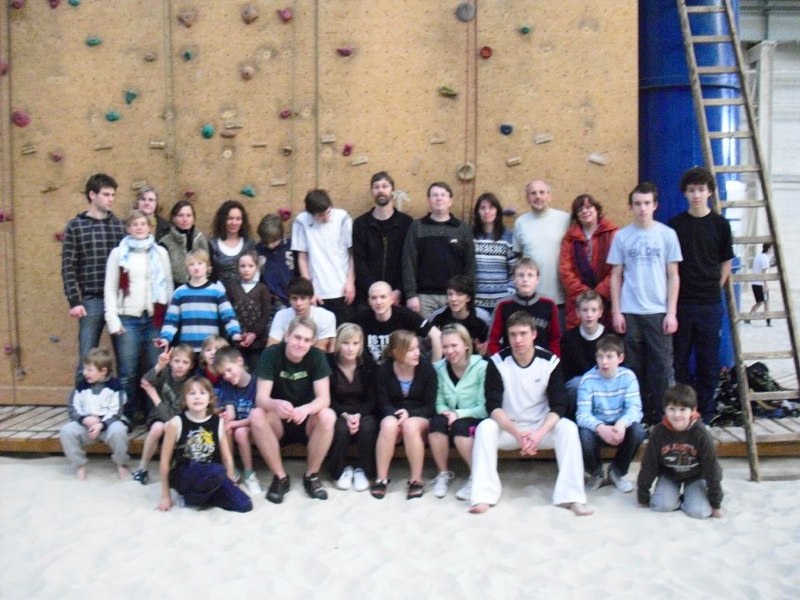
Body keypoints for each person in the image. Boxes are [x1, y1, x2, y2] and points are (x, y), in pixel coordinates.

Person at [469, 312, 592, 516]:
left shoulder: (550, 362)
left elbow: (559, 405)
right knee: (485, 428)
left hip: (540, 429)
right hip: (509, 428)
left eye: (523, 333)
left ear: (534, 334)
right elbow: (493, 407)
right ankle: (483, 496)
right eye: (513, 334)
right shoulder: (497, 362)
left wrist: (538, 433)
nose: (518, 340)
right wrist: (517, 432)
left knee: (568, 428)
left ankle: (572, 498)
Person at [608, 182, 682, 424]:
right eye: (638, 204)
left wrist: (671, 313)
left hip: (658, 311)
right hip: (630, 311)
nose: (642, 208)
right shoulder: (622, 237)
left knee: (661, 368)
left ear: (655, 205)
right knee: (632, 368)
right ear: (631, 206)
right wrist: (616, 311)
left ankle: (663, 420)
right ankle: (635, 418)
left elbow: (673, 275)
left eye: (647, 203)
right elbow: (616, 276)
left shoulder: (667, 235)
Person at [669, 167, 734, 424]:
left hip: (709, 304)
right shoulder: (675, 226)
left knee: (708, 361)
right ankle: (682, 410)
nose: (696, 194)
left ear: (709, 192)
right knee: (680, 360)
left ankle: (705, 414)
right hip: (682, 303)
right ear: (685, 193)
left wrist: (715, 286)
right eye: (691, 190)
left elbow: (726, 261)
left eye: (701, 189)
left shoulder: (721, 225)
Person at [250, 316, 335, 503]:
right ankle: (280, 477)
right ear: (287, 335)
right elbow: (261, 398)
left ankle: (311, 476)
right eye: (297, 337)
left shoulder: (317, 356)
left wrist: (306, 409)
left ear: (312, 342)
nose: (301, 344)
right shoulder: (271, 354)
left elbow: (324, 398)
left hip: (306, 420)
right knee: (256, 415)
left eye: (306, 340)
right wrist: (275, 404)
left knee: (328, 415)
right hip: (279, 419)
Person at [104, 210, 173, 424]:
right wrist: (113, 320)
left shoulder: (160, 252)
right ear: (128, 228)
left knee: (155, 369)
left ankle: (155, 415)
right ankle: (127, 414)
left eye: (143, 223)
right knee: (128, 371)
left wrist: (169, 320)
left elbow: (168, 286)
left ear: (150, 227)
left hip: (154, 319)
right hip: (127, 319)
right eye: (135, 224)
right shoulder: (118, 254)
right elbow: (110, 288)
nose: (139, 227)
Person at [61, 173, 126, 382]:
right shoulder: (76, 226)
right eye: (106, 194)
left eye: (113, 195)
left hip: (119, 301)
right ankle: (81, 401)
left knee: (125, 360)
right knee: (87, 359)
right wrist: (74, 300)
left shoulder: (119, 226)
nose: (111, 199)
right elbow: (68, 266)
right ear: (92, 195)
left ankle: (120, 401)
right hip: (91, 300)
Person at [156, 376, 252, 512]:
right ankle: (190, 498)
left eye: (202, 393)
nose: (197, 397)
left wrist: (230, 483)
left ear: (210, 398)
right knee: (218, 471)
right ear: (184, 399)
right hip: (186, 473)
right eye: (192, 393)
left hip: (213, 475)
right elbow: (165, 461)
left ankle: (196, 499)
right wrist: (165, 495)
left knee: (244, 505)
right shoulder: (176, 423)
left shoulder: (217, 423)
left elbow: (227, 458)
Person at [637, 384, 723, 519]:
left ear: (693, 410)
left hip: (696, 475)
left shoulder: (701, 433)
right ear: (665, 410)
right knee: (661, 505)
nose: (677, 415)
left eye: (683, 409)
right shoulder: (659, 432)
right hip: (670, 474)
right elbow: (649, 464)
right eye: (672, 409)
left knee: (700, 512)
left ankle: (688, 498)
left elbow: (712, 468)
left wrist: (716, 504)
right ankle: (677, 497)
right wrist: (643, 495)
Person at [371, 330, 438, 500]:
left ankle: (416, 480)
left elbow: (430, 407)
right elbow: (382, 403)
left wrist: (410, 414)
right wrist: (396, 416)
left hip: (420, 415)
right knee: (388, 424)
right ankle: (381, 479)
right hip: (394, 414)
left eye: (417, 348)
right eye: (411, 349)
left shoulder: (427, 369)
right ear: (396, 353)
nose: (417, 353)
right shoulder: (383, 371)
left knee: (410, 426)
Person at [576, 334, 645, 493]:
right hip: (598, 425)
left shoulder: (628, 377)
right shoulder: (587, 380)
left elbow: (635, 409)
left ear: (620, 358)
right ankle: (596, 473)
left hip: (619, 425)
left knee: (638, 431)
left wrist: (621, 423)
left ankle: (617, 472)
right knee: (583, 434)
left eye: (609, 356)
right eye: (600, 356)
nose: (604, 362)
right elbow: (582, 415)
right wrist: (600, 427)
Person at [429, 324, 488, 500]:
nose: (449, 351)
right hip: (450, 414)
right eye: (445, 346)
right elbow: (439, 401)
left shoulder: (482, 367)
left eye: (454, 345)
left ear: (466, 345)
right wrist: (447, 413)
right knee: (436, 423)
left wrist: (458, 414)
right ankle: (443, 473)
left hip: (475, 416)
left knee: (460, 427)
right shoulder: (438, 368)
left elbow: (484, 407)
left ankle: (476, 475)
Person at [402, 181, 475, 318]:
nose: (439, 198)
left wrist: (467, 295)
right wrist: (411, 295)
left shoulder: (462, 229)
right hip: (424, 298)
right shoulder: (417, 227)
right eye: (434, 195)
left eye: (443, 195)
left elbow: (470, 265)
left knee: (453, 331)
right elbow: (408, 262)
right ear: (428, 200)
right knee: (426, 332)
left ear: (450, 201)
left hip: (455, 297)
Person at [58, 348, 130, 480]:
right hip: (86, 424)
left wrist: (102, 424)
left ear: (103, 371)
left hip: (108, 424)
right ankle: (79, 464)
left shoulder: (116, 387)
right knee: (66, 431)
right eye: (85, 369)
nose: (85, 373)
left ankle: (121, 463)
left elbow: (117, 411)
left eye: (90, 370)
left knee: (119, 431)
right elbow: (73, 408)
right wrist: (84, 419)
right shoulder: (81, 387)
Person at [157, 249, 242, 354]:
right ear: (187, 268)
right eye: (191, 264)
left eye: (200, 263)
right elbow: (171, 321)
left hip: (210, 351)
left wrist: (235, 334)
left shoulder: (217, 291)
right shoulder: (180, 293)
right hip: (187, 351)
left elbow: (228, 317)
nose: (196, 267)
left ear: (207, 266)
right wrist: (165, 338)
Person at [132, 345, 195, 484]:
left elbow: (172, 418)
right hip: (158, 417)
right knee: (157, 428)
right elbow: (145, 381)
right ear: (170, 362)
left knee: (169, 426)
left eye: (185, 362)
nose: (180, 365)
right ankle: (142, 468)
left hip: (178, 421)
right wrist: (160, 365)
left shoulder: (190, 383)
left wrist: (153, 395)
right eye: (176, 361)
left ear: (191, 365)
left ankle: (173, 467)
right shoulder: (165, 373)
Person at [513, 180, 571, 329]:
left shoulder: (565, 219)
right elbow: (518, 259)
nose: (538, 196)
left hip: (559, 299)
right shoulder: (520, 223)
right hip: (530, 299)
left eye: (542, 192)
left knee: (557, 340)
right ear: (527, 198)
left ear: (549, 196)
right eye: (533, 193)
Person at [327, 324, 379, 492]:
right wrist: (345, 415)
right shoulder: (329, 363)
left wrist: (357, 415)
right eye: (346, 343)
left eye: (355, 343)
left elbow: (372, 399)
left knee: (368, 426)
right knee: (340, 428)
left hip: (364, 410)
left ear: (361, 345)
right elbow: (328, 399)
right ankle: (339, 471)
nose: (351, 348)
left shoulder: (368, 364)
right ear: (338, 343)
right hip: (338, 410)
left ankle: (365, 471)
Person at [291, 189, 355, 324]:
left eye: (328, 212)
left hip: (342, 289)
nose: (326, 218)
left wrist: (350, 282)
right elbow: (302, 257)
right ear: (311, 213)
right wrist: (309, 290)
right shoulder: (301, 221)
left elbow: (352, 253)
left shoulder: (342, 218)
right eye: (321, 215)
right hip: (318, 292)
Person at [353, 171, 413, 308]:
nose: (380, 190)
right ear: (372, 192)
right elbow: (359, 262)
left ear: (392, 191)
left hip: (397, 296)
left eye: (385, 186)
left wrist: (399, 290)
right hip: (368, 296)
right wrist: (375, 293)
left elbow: (409, 261)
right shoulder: (361, 224)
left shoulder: (406, 223)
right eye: (376, 187)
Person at [559, 193, 618, 329]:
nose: (585, 211)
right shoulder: (570, 239)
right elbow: (566, 270)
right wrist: (585, 295)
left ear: (597, 209)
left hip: (607, 300)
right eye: (580, 209)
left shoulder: (613, 234)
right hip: (579, 302)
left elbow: (617, 269)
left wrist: (599, 293)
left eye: (589, 207)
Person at [213, 346, 263, 496]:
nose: (227, 376)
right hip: (239, 425)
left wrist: (234, 423)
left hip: (257, 427)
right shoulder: (227, 385)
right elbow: (231, 413)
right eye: (223, 374)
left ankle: (249, 473)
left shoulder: (257, 382)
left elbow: (257, 416)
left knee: (240, 432)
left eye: (229, 370)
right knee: (226, 427)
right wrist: (226, 417)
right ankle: (231, 468)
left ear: (239, 361)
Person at [354, 281, 442, 364]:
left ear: (392, 299)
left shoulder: (405, 315)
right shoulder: (361, 318)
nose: (378, 302)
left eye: (383, 297)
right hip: (371, 372)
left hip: (400, 370)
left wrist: (436, 368)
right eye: (374, 298)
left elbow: (436, 335)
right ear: (369, 301)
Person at [487, 258, 560, 356]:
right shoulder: (503, 305)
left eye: (530, 275)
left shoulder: (549, 305)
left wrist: (552, 360)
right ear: (514, 278)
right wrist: (500, 361)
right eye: (521, 275)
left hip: (543, 361)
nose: (525, 279)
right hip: (511, 361)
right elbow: (492, 340)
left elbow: (556, 339)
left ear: (537, 279)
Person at [561, 290, 606, 419]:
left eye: (593, 310)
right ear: (577, 312)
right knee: (574, 385)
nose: (589, 315)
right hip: (578, 385)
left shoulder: (609, 337)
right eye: (585, 310)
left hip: (604, 383)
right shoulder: (569, 338)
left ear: (600, 312)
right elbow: (565, 372)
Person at [225, 250, 271, 372]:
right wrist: (236, 335)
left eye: (251, 266)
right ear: (237, 268)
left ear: (257, 268)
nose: (246, 269)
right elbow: (227, 313)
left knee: (255, 373)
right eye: (243, 266)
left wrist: (254, 334)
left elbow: (266, 315)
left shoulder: (262, 289)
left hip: (257, 343)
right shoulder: (232, 288)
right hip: (236, 341)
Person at [471, 192, 516, 310]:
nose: (487, 211)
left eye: (491, 207)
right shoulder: (470, 237)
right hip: (476, 304)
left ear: (497, 211)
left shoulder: (508, 237)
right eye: (482, 208)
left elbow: (514, 271)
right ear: (477, 212)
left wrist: (509, 294)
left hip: (502, 303)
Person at [267, 277, 336, 351]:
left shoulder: (326, 317)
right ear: (289, 300)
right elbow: (271, 348)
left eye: (303, 298)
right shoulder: (281, 316)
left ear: (310, 298)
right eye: (294, 298)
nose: (298, 303)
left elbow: (321, 350)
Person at [431, 275, 490, 354]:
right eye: (450, 294)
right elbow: (427, 348)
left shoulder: (482, 318)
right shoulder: (438, 317)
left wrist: (482, 352)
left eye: (459, 294)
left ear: (468, 298)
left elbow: (488, 345)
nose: (453, 299)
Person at [159, 199, 209, 287]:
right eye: (180, 215)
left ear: (193, 218)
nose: (185, 219)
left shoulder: (200, 239)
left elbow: (209, 265)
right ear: (173, 218)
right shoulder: (165, 243)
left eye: (189, 215)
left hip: (201, 287)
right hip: (176, 288)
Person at [255, 213, 296, 318]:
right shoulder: (258, 250)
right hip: (272, 301)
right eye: (266, 242)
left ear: (281, 236)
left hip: (293, 297)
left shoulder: (291, 246)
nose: (269, 245)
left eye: (273, 241)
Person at [208, 200, 256, 288]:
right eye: (230, 218)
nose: (234, 223)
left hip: (244, 293)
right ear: (222, 220)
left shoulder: (249, 244)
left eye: (238, 219)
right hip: (218, 292)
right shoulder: (212, 244)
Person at [748, 243, 772, 326]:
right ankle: (768, 321)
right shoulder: (765, 258)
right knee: (766, 302)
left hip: (754, 283)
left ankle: (749, 317)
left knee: (759, 302)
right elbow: (764, 272)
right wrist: (765, 285)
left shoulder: (758, 256)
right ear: (769, 249)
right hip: (761, 284)